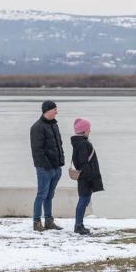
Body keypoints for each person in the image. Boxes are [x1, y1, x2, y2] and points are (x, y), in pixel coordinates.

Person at [30, 100, 64, 232]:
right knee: (41, 195)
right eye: (55, 109)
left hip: (56, 167)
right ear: (47, 110)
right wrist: (47, 167)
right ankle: (37, 223)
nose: (57, 111)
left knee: (50, 195)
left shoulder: (54, 125)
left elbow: (59, 145)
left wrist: (60, 163)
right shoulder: (37, 127)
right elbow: (37, 151)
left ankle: (49, 222)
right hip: (44, 169)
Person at [70, 118, 104, 235]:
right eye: (88, 129)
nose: (90, 131)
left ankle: (80, 224)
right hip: (86, 178)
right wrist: (90, 175)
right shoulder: (83, 144)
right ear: (84, 131)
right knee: (83, 200)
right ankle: (78, 225)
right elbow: (83, 162)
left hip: (84, 177)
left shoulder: (79, 143)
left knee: (85, 200)